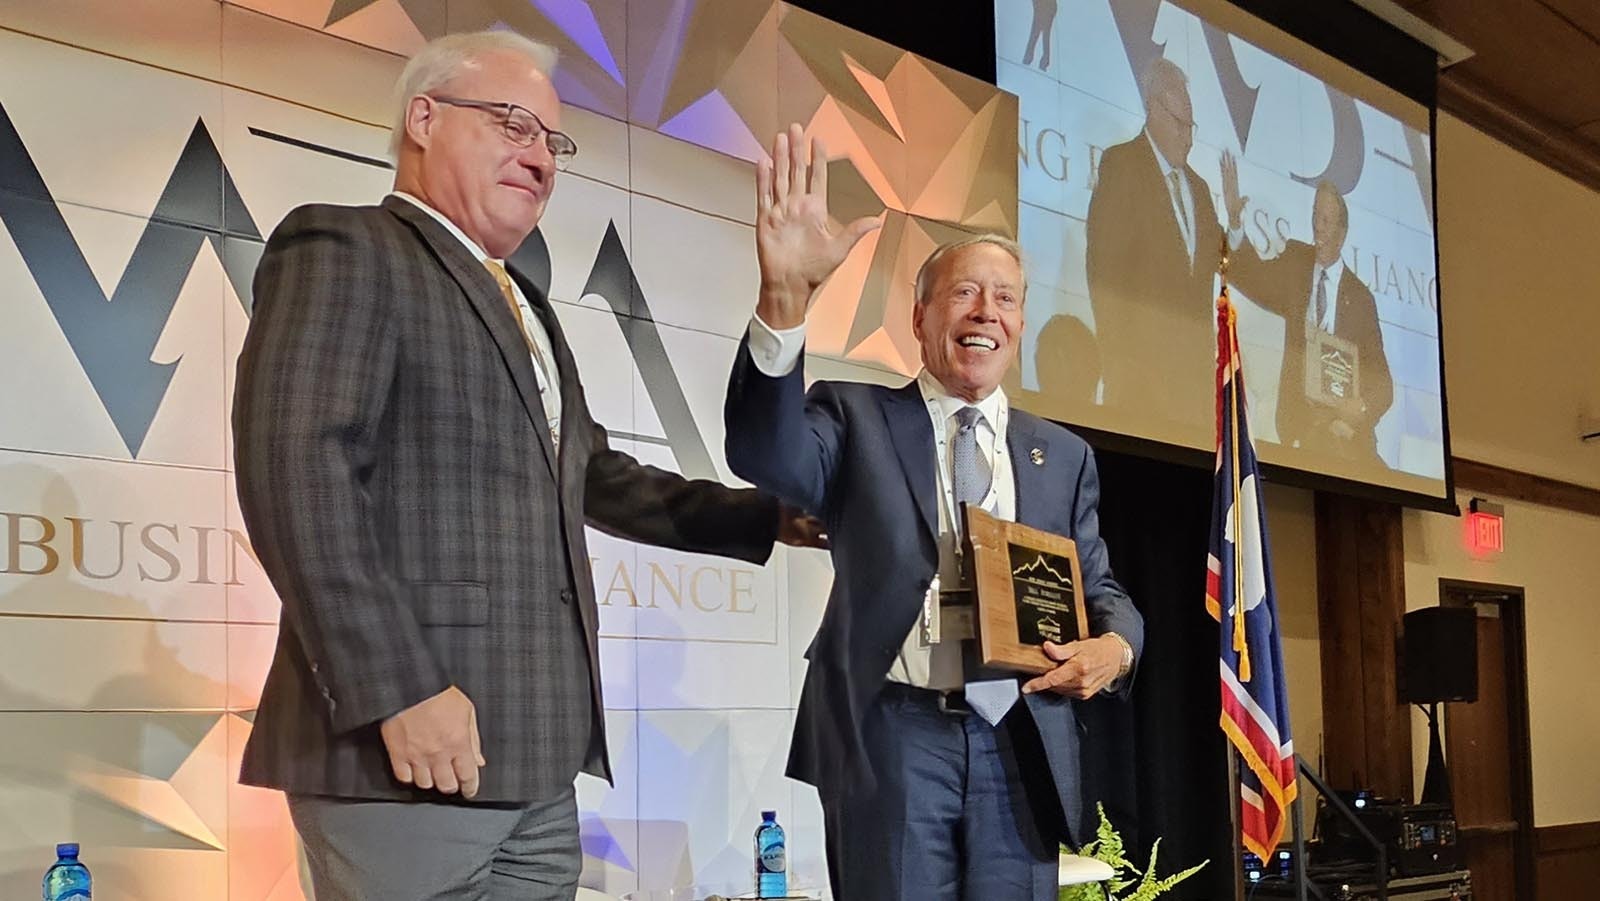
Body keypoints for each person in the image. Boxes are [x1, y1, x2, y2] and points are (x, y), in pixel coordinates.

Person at [232, 31, 816, 900]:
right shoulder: (345, 247)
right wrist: (398, 690)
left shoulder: (528, 304)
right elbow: (296, 469)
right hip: (401, 754)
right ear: (423, 119)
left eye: (551, 139)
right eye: (512, 123)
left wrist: (768, 516)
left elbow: (596, 476)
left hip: (538, 766)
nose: (539, 156)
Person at [725, 124, 1145, 900]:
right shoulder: (854, 417)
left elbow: (1100, 585)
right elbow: (767, 458)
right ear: (919, 318)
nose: (986, 310)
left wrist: (1115, 648)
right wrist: (783, 301)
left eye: (1006, 297)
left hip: (1020, 735)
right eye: (963, 291)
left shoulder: (1064, 454)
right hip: (891, 733)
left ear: (1019, 325)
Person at [1220, 154, 1394, 460]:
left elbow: (1383, 384)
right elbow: (1253, 278)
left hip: (1350, 438)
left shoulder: (1361, 299)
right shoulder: (1295, 263)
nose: (1318, 227)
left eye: (1326, 221)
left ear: (1342, 233)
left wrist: (1359, 410)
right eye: (1315, 216)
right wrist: (1235, 222)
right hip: (1302, 429)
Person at [1085, 57, 1222, 429]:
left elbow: (1216, 266)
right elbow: (1104, 271)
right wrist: (1120, 364)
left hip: (1195, 398)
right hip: (1139, 392)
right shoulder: (1122, 165)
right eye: (1180, 125)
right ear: (1152, 108)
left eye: (1191, 126)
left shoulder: (1200, 188)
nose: (1188, 137)